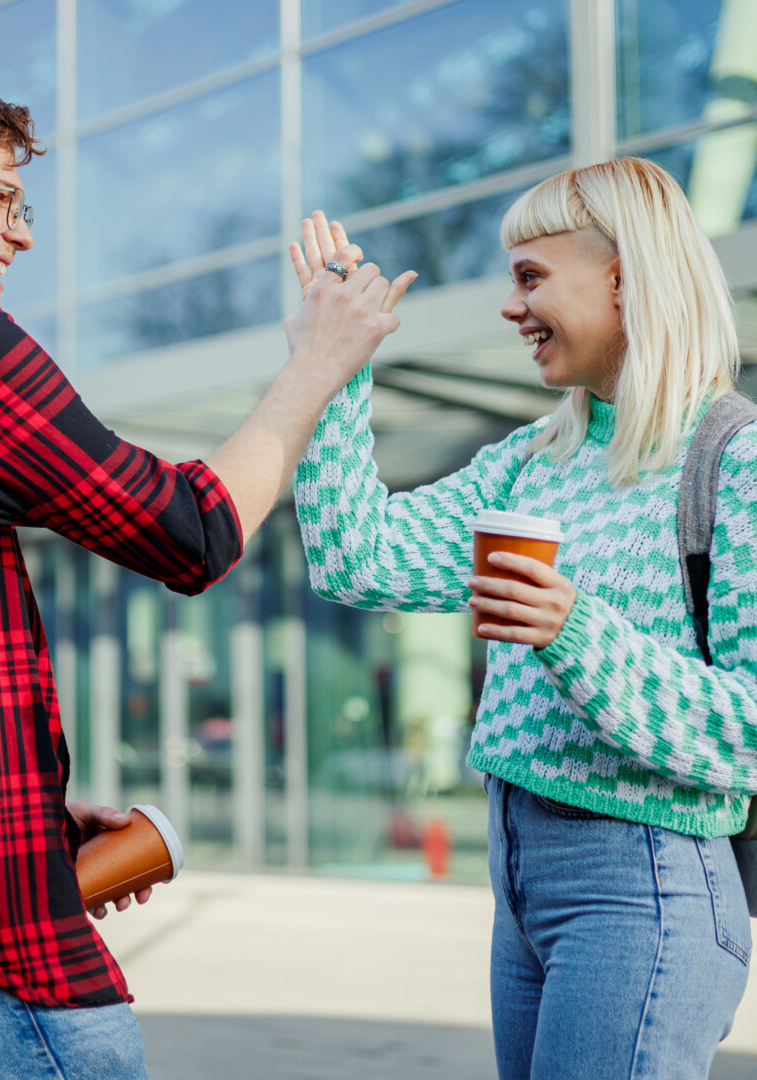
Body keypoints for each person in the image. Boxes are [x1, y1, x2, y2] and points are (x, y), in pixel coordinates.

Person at [0, 57, 408, 1080]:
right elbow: (191, 531)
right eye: (0, 201)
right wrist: (315, 369)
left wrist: (29, 798)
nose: (19, 233)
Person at [291, 158, 757, 1080]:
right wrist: (334, 369)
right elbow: (358, 557)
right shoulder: (532, 461)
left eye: (532, 276)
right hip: (518, 882)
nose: (511, 306)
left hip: (646, 888)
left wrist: (573, 629)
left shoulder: (732, 461)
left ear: (626, 276)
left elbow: (748, 729)